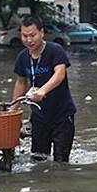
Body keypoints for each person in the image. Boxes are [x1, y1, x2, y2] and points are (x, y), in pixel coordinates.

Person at [11, 15, 77, 163]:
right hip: (39, 117)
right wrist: (13, 108)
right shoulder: (22, 57)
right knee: (39, 160)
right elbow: (20, 83)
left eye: (33, 35)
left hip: (62, 116)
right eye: (24, 36)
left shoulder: (55, 50)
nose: (29, 40)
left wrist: (43, 90)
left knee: (61, 162)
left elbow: (59, 74)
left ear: (42, 33)